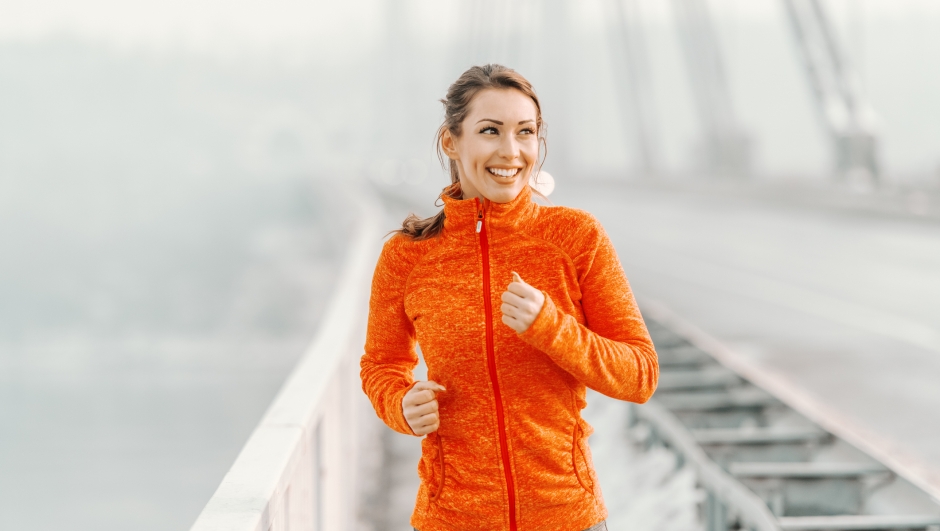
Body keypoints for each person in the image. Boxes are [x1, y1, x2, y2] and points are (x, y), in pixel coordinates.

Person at [360, 64, 659, 531]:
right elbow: (381, 365)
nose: (511, 151)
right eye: (490, 131)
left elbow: (640, 375)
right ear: (451, 141)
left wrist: (552, 328)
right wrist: (400, 404)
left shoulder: (576, 236)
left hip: (566, 518)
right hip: (452, 517)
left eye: (526, 132)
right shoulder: (407, 256)